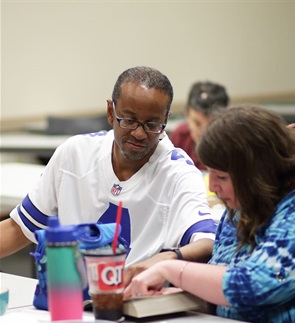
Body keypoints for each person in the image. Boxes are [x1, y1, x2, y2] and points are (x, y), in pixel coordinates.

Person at [124, 105, 295, 323]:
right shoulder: (246, 200)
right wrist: (170, 297)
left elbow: (255, 286)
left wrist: (172, 269)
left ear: (256, 171)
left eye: (222, 177)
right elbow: (224, 278)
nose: (213, 188)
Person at [0, 66, 217, 271]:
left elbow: (206, 242)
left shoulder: (179, 173)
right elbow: (19, 228)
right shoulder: (74, 154)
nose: (139, 133)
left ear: (166, 120)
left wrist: (168, 259)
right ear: (110, 112)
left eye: (152, 125)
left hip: (137, 301)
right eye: (129, 120)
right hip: (70, 297)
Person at [169, 81, 229, 171]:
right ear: (187, 114)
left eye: (211, 124)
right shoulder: (179, 137)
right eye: (197, 123)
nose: (203, 131)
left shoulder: (231, 143)